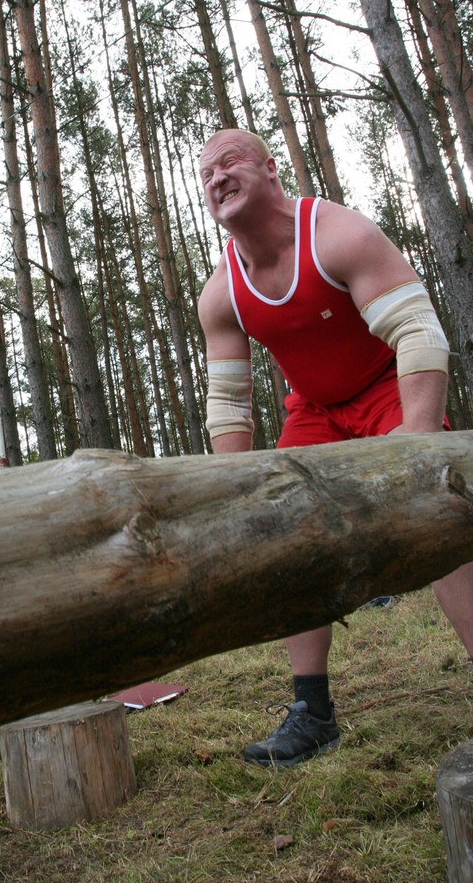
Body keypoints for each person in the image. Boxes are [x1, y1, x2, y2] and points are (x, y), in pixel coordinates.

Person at [197, 128, 473, 768]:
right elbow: (231, 404)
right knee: (290, 534)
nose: (216, 177)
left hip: (387, 389)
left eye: (229, 161)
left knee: (446, 517)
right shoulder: (222, 292)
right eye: (205, 173)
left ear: (270, 169)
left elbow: (416, 331)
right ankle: (311, 711)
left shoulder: (340, 235)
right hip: (314, 410)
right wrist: (234, 493)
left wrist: (421, 437)